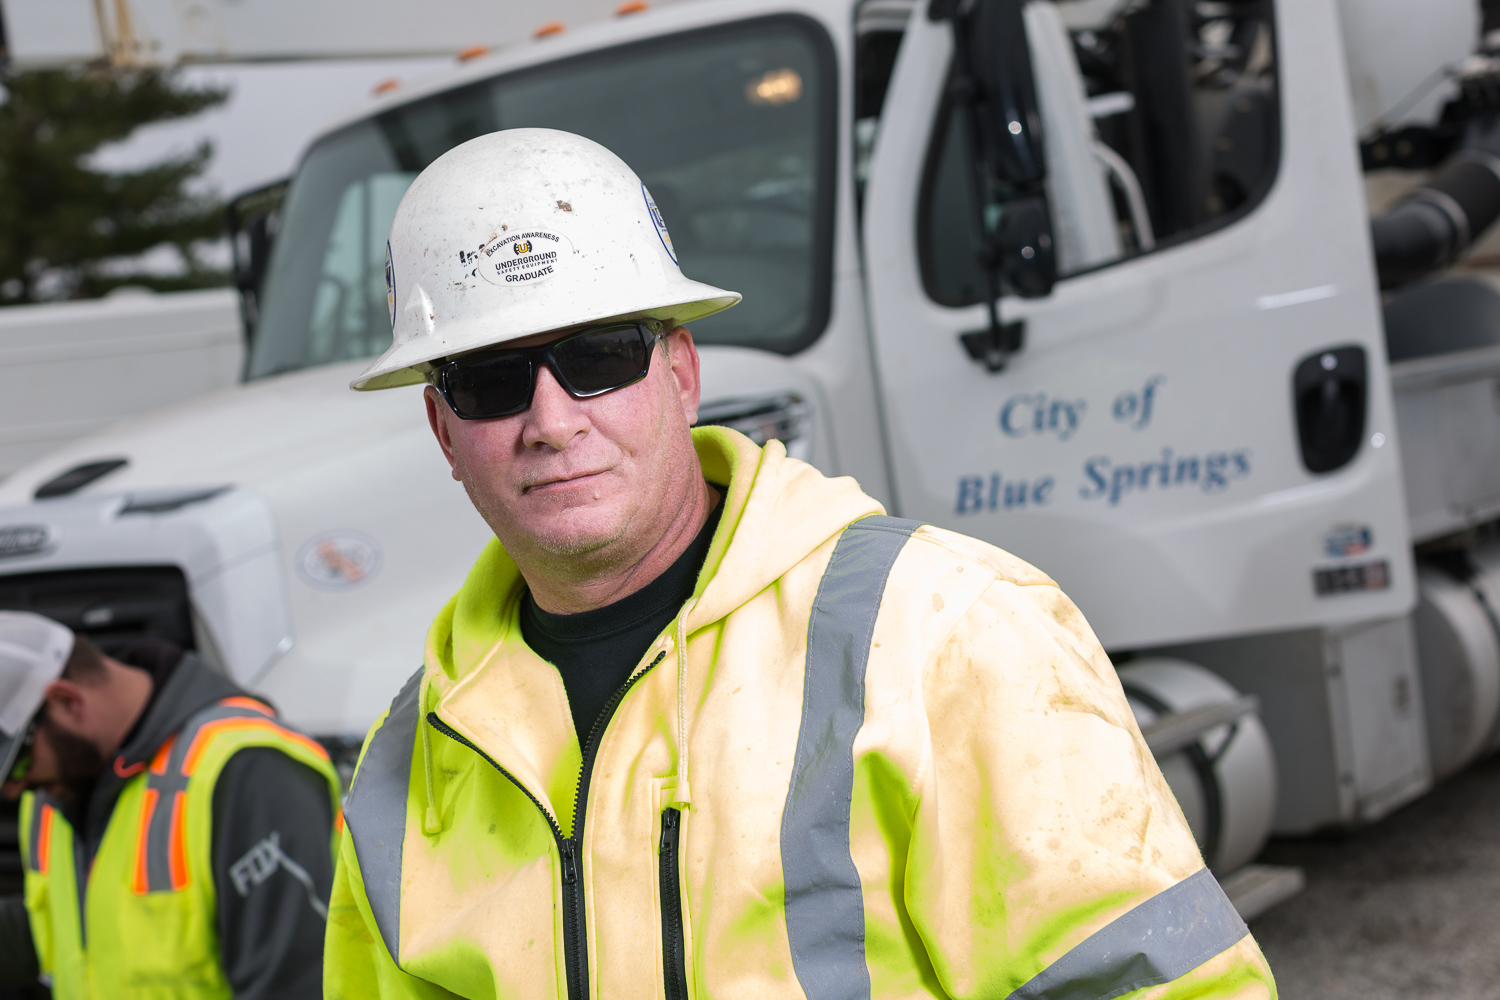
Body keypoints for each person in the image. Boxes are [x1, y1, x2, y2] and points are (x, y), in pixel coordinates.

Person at [325, 128, 1276, 999]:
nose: (552, 421)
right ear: (443, 428)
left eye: (600, 357)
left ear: (684, 374)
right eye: (490, 381)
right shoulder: (404, 767)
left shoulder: (946, 632)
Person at [0, 612, 342, 998]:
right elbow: (68, 931)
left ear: (67, 701)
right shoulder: (55, 797)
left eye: (20, 763)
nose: (15, 790)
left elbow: (296, 982)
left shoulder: (247, 771)